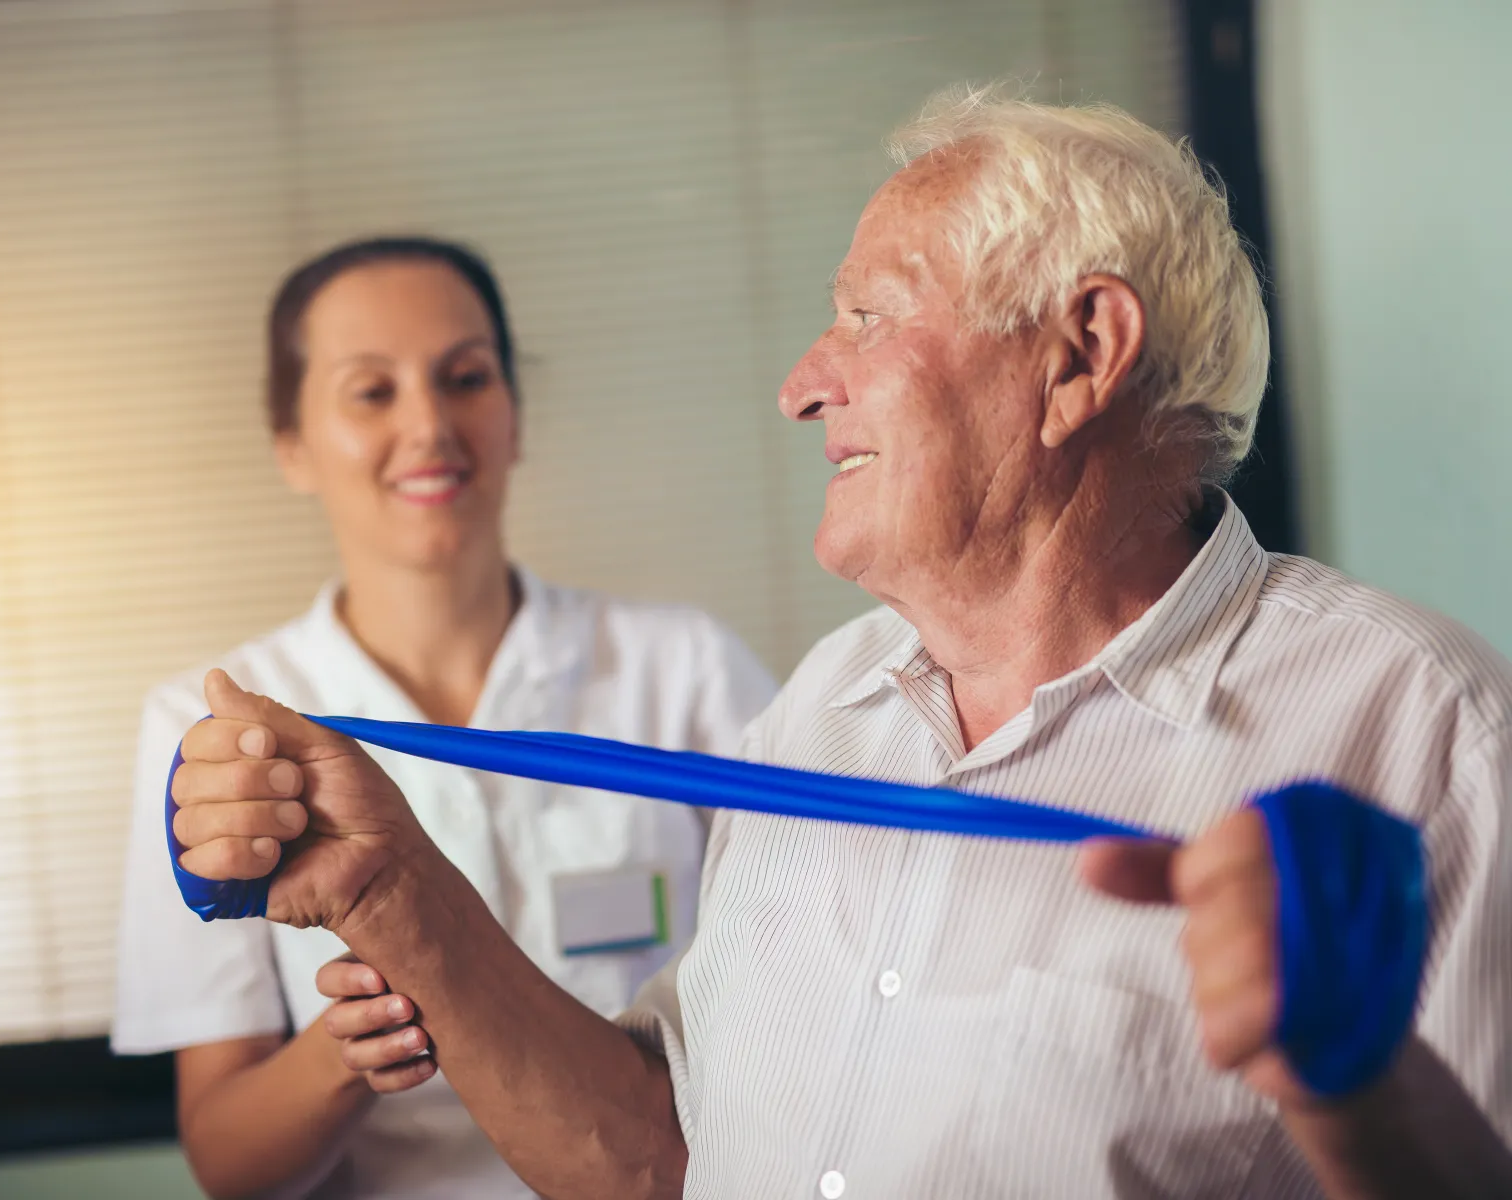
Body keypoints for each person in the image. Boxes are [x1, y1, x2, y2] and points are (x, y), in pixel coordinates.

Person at [164, 89, 1512, 1199]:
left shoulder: (1415, 728)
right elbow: (655, 1157)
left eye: (870, 314)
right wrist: (388, 887)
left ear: (1079, 355)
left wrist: (1360, 1096)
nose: (804, 382)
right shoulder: (825, 707)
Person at [111, 236, 776, 1200]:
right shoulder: (220, 736)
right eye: (372, 392)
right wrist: (345, 1052)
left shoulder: (687, 671)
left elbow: (812, 999)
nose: (429, 425)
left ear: (513, 416)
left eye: (465, 378)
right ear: (291, 443)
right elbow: (228, 1163)